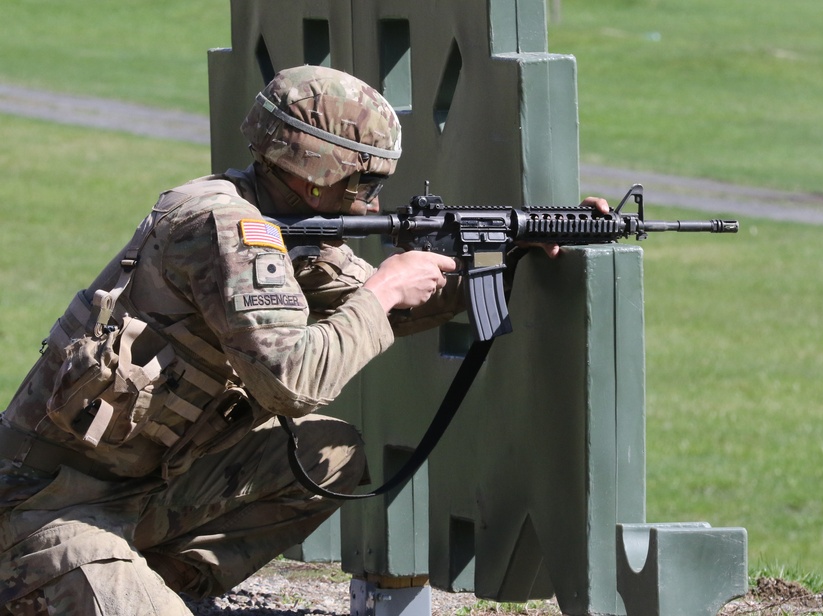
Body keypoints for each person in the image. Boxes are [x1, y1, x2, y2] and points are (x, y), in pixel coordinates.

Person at [0, 65, 608, 615]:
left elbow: (385, 307)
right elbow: (294, 381)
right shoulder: (228, 228)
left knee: (328, 457)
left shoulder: (284, 228)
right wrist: (386, 290)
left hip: (139, 490)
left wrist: (510, 248)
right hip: (45, 512)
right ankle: (57, 589)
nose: (370, 198)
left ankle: (151, 584)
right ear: (320, 174)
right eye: (363, 179)